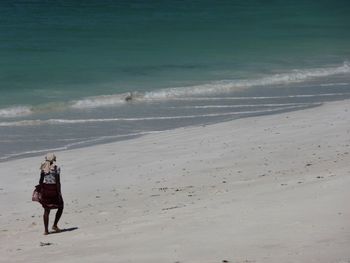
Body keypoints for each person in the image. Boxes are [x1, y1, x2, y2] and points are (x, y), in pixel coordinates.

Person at [39, 153, 64, 235]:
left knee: (46, 210)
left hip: (46, 189)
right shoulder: (56, 168)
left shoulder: (43, 167)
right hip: (53, 189)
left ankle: (46, 231)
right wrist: (59, 192)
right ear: (53, 159)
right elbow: (57, 181)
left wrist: (41, 190)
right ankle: (55, 225)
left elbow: (40, 181)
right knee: (61, 206)